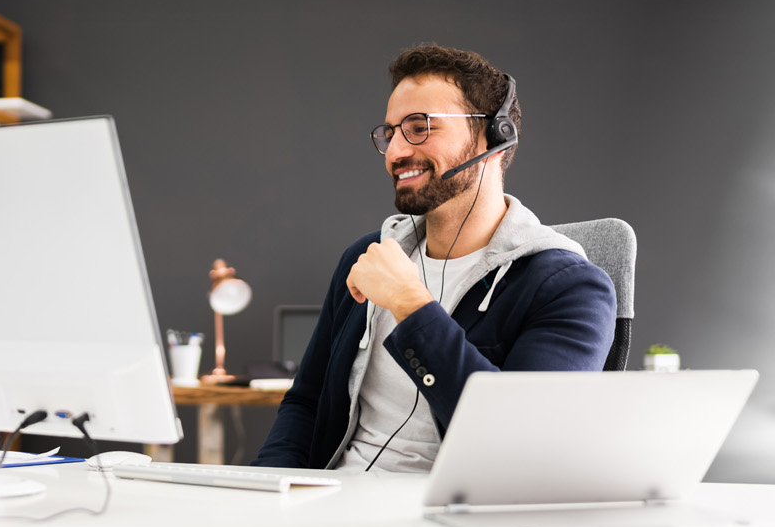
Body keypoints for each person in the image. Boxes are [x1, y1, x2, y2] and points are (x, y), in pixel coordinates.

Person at [251, 44, 616, 472]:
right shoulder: (370, 257)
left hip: (445, 509)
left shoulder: (569, 288)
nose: (395, 152)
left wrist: (411, 304)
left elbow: (520, 444)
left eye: (420, 127)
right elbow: (305, 402)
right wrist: (267, 488)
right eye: (390, 133)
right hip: (331, 497)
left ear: (495, 136)